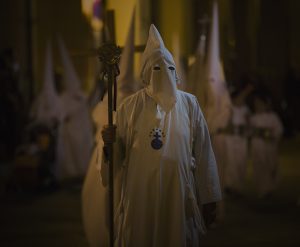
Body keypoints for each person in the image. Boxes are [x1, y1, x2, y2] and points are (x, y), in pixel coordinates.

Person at [101, 24, 221, 247]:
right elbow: (117, 158)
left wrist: (209, 197)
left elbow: (204, 151)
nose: (164, 74)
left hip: (177, 194)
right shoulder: (130, 107)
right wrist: (109, 145)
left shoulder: (189, 104)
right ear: (147, 73)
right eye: (157, 68)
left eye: (169, 68)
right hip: (140, 195)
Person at [250, 91, 283, 198]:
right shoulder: (253, 118)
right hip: (258, 146)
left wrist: (271, 135)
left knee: (270, 166)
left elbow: (279, 129)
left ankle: (270, 188)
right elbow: (250, 131)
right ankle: (263, 190)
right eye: (256, 103)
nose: (257, 105)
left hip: (270, 145)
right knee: (260, 166)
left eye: (259, 103)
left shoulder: (273, 116)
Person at [224, 83, 253, 197]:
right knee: (231, 161)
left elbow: (250, 123)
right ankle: (230, 186)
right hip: (231, 138)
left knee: (241, 161)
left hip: (242, 138)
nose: (241, 100)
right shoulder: (230, 108)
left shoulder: (245, 109)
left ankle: (238, 186)